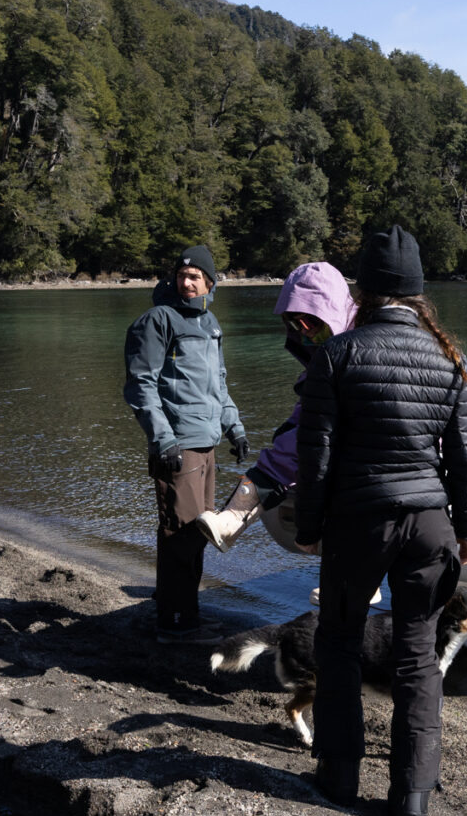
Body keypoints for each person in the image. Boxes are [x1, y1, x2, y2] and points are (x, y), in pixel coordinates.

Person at [295, 226, 467, 816]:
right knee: (417, 659)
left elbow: (315, 455)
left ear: (364, 291)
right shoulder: (448, 358)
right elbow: (464, 458)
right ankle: (411, 803)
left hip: (359, 520)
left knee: (341, 644)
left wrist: (310, 524)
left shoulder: (336, 354)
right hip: (429, 525)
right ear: (420, 293)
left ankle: (339, 777)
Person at [123, 244, 247, 643]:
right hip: (178, 445)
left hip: (206, 442)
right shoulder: (159, 320)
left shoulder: (210, 324)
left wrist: (235, 427)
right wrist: (163, 440)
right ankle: (176, 623)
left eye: (195, 277)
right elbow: (141, 385)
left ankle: (184, 612)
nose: (187, 282)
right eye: (182, 276)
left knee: (200, 532)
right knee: (181, 533)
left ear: (210, 283)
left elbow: (219, 384)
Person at [197, 261, 355, 550]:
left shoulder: (358, 347)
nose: (305, 331)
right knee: (291, 436)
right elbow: (309, 412)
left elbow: (317, 425)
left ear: (332, 312)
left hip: (384, 456)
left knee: (299, 444)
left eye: (312, 322)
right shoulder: (327, 351)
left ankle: (236, 515)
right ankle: (234, 516)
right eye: (295, 324)